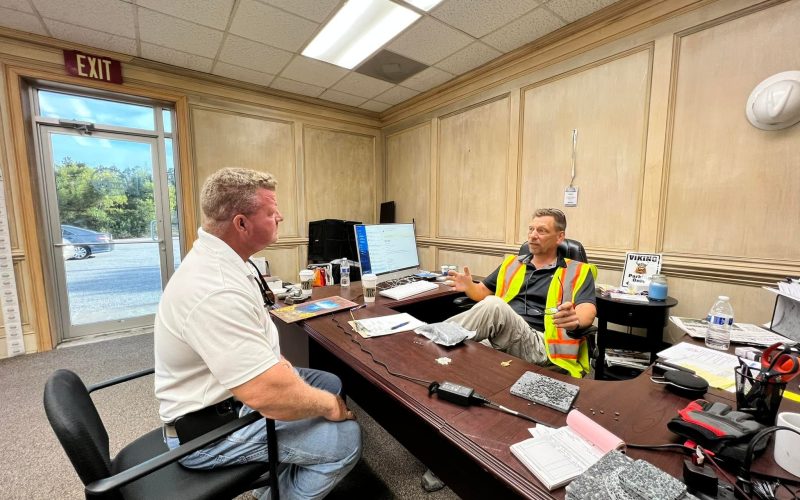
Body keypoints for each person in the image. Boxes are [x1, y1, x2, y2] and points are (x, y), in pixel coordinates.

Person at [154, 168, 361, 500]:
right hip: (208, 433)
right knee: (346, 438)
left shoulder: (227, 260)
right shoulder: (215, 289)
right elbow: (266, 395)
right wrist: (328, 407)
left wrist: (290, 376)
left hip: (229, 395)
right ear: (241, 224)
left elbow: (257, 342)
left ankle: (277, 476)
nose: (280, 216)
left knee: (329, 381)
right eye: (271, 210)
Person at [446, 208, 597, 378]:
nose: (533, 235)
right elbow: (481, 292)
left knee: (494, 305)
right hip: (503, 334)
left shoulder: (578, 271)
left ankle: (433, 337)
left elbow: (588, 311)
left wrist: (575, 320)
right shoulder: (512, 264)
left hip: (544, 346)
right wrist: (469, 286)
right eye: (531, 229)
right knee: (462, 352)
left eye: (541, 231)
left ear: (559, 237)